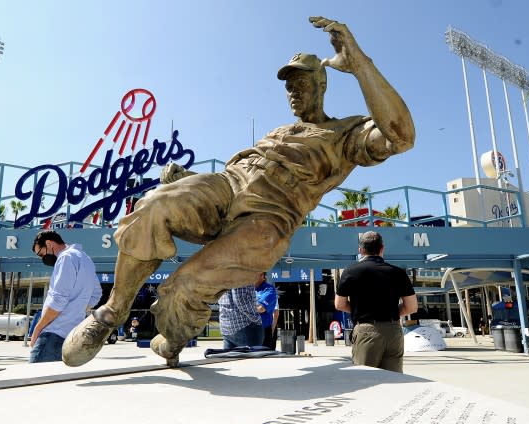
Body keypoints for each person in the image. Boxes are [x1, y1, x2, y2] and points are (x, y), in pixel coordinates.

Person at [63, 15, 415, 368]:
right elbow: (245, 174)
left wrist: (360, 66)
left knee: (186, 285)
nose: (292, 91)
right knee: (153, 204)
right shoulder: (280, 130)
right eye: (288, 85)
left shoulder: (344, 134)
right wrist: (188, 178)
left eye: (301, 84)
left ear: (322, 85)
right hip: (228, 185)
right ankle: (111, 312)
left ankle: (171, 338)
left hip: (269, 217)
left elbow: (401, 137)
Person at [334, 231, 417, 372]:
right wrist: (388, 313)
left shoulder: (350, 272)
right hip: (393, 332)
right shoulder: (398, 273)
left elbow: (339, 304)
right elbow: (412, 307)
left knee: (365, 379)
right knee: (394, 381)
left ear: (361, 250)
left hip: (366, 331)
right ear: (382, 248)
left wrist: (360, 310)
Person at [29, 230, 102, 363]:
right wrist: (76, 309)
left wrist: (37, 329)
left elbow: (58, 300)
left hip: (53, 333)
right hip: (72, 336)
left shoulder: (65, 258)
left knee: (33, 381)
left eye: (41, 253)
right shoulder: (85, 259)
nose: (42, 258)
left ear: (49, 243)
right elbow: (96, 293)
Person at [255, 272, 278, 350]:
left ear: (263, 276)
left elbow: (261, 308)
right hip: (249, 330)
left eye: (257, 273)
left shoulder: (269, 290)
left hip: (263, 330)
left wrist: (245, 307)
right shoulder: (248, 289)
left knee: (265, 358)